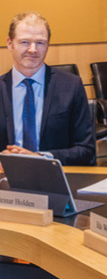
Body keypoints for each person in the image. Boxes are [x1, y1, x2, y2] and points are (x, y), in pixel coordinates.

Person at [0, 11, 94, 165]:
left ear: (48, 45)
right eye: (24, 42)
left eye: (40, 43)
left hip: (56, 181)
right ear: (10, 43)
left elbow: (86, 149)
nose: (33, 49)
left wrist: (41, 157)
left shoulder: (71, 86)